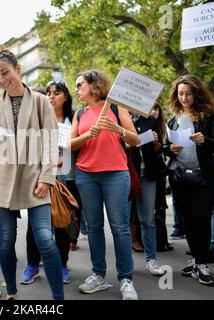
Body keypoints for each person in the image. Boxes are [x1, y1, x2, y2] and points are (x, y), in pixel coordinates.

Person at [0, 46, 63, 300]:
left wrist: (47, 177)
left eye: (5, 72)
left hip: (36, 178)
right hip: (3, 178)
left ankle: (59, 298)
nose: (2, 80)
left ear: (18, 69)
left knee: (46, 239)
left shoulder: (40, 101)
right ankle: (12, 293)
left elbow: (50, 140)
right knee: (6, 241)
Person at [70, 70, 141, 300]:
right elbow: (70, 145)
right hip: (86, 176)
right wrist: (88, 134)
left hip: (116, 175)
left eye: (80, 84)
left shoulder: (115, 107)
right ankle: (98, 275)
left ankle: (126, 279)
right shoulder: (79, 114)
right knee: (94, 228)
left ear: (93, 85)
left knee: (120, 228)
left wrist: (117, 129)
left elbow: (135, 139)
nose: (77, 89)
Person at [19, 80, 81, 286]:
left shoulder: (73, 118)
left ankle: (62, 265)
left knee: (63, 223)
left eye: (57, 93)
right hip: (39, 177)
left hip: (65, 177)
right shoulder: (36, 116)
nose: (51, 97)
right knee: (35, 225)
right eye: (48, 93)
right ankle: (32, 265)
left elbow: (82, 144)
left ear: (65, 96)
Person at [164, 75, 214, 285]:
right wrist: (169, 148)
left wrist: (203, 140)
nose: (184, 97)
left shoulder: (208, 116)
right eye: (180, 93)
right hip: (180, 177)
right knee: (188, 220)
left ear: (196, 93)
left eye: (188, 93)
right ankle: (195, 260)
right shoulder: (173, 118)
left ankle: (202, 263)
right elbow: (165, 145)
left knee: (201, 218)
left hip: (204, 177)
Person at [129, 106, 166, 276]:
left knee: (148, 219)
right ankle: (125, 263)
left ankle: (151, 260)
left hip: (147, 175)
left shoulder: (150, 121)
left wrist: (157, 142)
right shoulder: (122, 119)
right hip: (127, 175)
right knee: (122, 220)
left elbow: (158, 150)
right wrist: (132, 141)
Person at [150, 104, 173, 252]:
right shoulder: (144, 124)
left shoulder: (164, 126)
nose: (153, 112)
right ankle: (155, 240)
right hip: (150, 169)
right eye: (151, 109)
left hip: (161, 169)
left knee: (160, 206)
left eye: (156, 109)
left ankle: (162, 239)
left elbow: (164, 148)